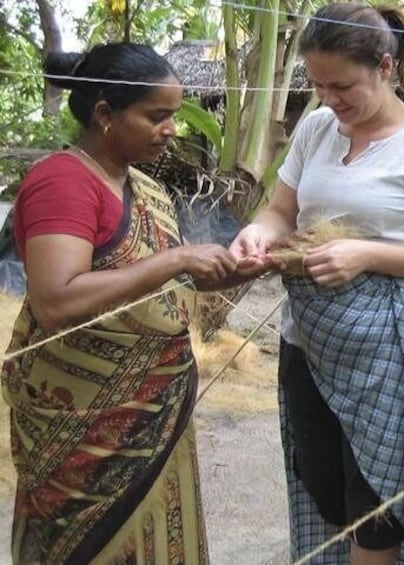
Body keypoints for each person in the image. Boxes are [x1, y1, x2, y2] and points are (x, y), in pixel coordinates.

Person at [230, 3, 404, 563]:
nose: (328, 99)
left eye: (342, 86)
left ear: (385, 67)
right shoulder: (318, 127)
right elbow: (280, 209)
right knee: (324, 487)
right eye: (317, 85)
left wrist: (365, 253)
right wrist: (257, 234)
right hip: (307, 343)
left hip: (385, 353)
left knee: (380, 504)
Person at [1, 43, 238, 564]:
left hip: (154, 415)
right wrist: (177, 261)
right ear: (106, 114)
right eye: (157, 116)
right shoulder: (62, 182)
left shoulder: (143, 187)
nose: (172, 129)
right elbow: (57, 300)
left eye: (173, 116)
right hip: (84, 428)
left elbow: (154, 287)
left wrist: (256, 262)